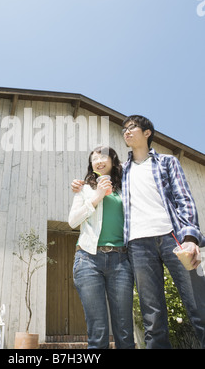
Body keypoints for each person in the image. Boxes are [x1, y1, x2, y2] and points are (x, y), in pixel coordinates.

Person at [72, 115, 205, 349]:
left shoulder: (166, 162)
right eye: (124, 129)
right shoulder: (123, 172)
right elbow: (97, 185)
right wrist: (82, 185)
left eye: (132, 127)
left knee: (198, 306)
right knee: (152, 317)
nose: (126, 131)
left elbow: (184, 200)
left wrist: (191, 238)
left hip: (172, 238)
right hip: (137, 246)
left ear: (147, 133)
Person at [68, 146, 135, 349]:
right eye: (94, 158)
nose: (98, 161)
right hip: (88, 259)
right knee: (98, 331)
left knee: (124, 329)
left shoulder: (126, 188)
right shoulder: (84, 189)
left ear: (113, 161)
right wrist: (97, 195)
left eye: (103, 156)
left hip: (121, 261)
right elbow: (72, 221)